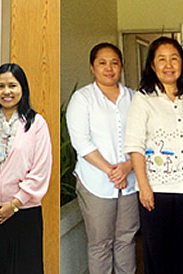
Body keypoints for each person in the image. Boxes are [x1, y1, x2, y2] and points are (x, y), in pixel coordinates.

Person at [123, 37, 183, 274]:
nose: (168, 64)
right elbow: (135, 145)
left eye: (174, 58)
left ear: (182, 63)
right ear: (152, 65)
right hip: (157, 190)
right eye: (161, 59)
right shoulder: (143, 98)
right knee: (158, 254)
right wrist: (144, 187)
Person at [0, 63, 52, 274]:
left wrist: (14, 204)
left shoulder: (36, 123)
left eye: (12, 85)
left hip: (24, 214)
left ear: (22, 88)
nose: (6, 91)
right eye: (0, 86)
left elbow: (40, 170)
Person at [65, 43, 138, 274]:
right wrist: (111, 171)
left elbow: (143, 139)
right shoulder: (82, 99)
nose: (109, 68)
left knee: (126, 239)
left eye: (115, 62)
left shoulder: (135, 98)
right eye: (102, 63)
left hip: (131, 182)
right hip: (95, 182)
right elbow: (82, 143)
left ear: (122, 67)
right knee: (100, 243)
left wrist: (127, 167)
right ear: (92, 67)